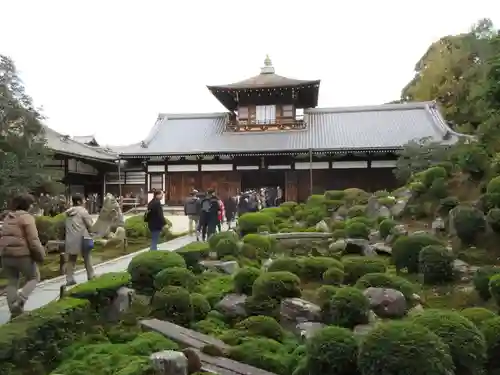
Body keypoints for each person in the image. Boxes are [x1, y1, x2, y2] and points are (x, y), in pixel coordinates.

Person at [0, 193, 45, 317]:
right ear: (28, 205)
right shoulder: (27, 218)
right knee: (34, 277)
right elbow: (34, 240)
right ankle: (20, 300)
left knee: (12, 281)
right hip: (22, 255)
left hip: (5, 255)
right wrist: (41, 255)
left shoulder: (8, 217)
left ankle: (14, 312)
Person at [65, 195, 95, 286]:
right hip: (83, 237)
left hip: (71, 238)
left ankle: (69, 279)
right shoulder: (83, 211)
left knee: (71, 260)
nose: (85, 201)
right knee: (87, 258)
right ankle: (91, 276)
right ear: (78, 202)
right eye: (83, 200)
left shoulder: (68, 212)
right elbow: (90, 225)